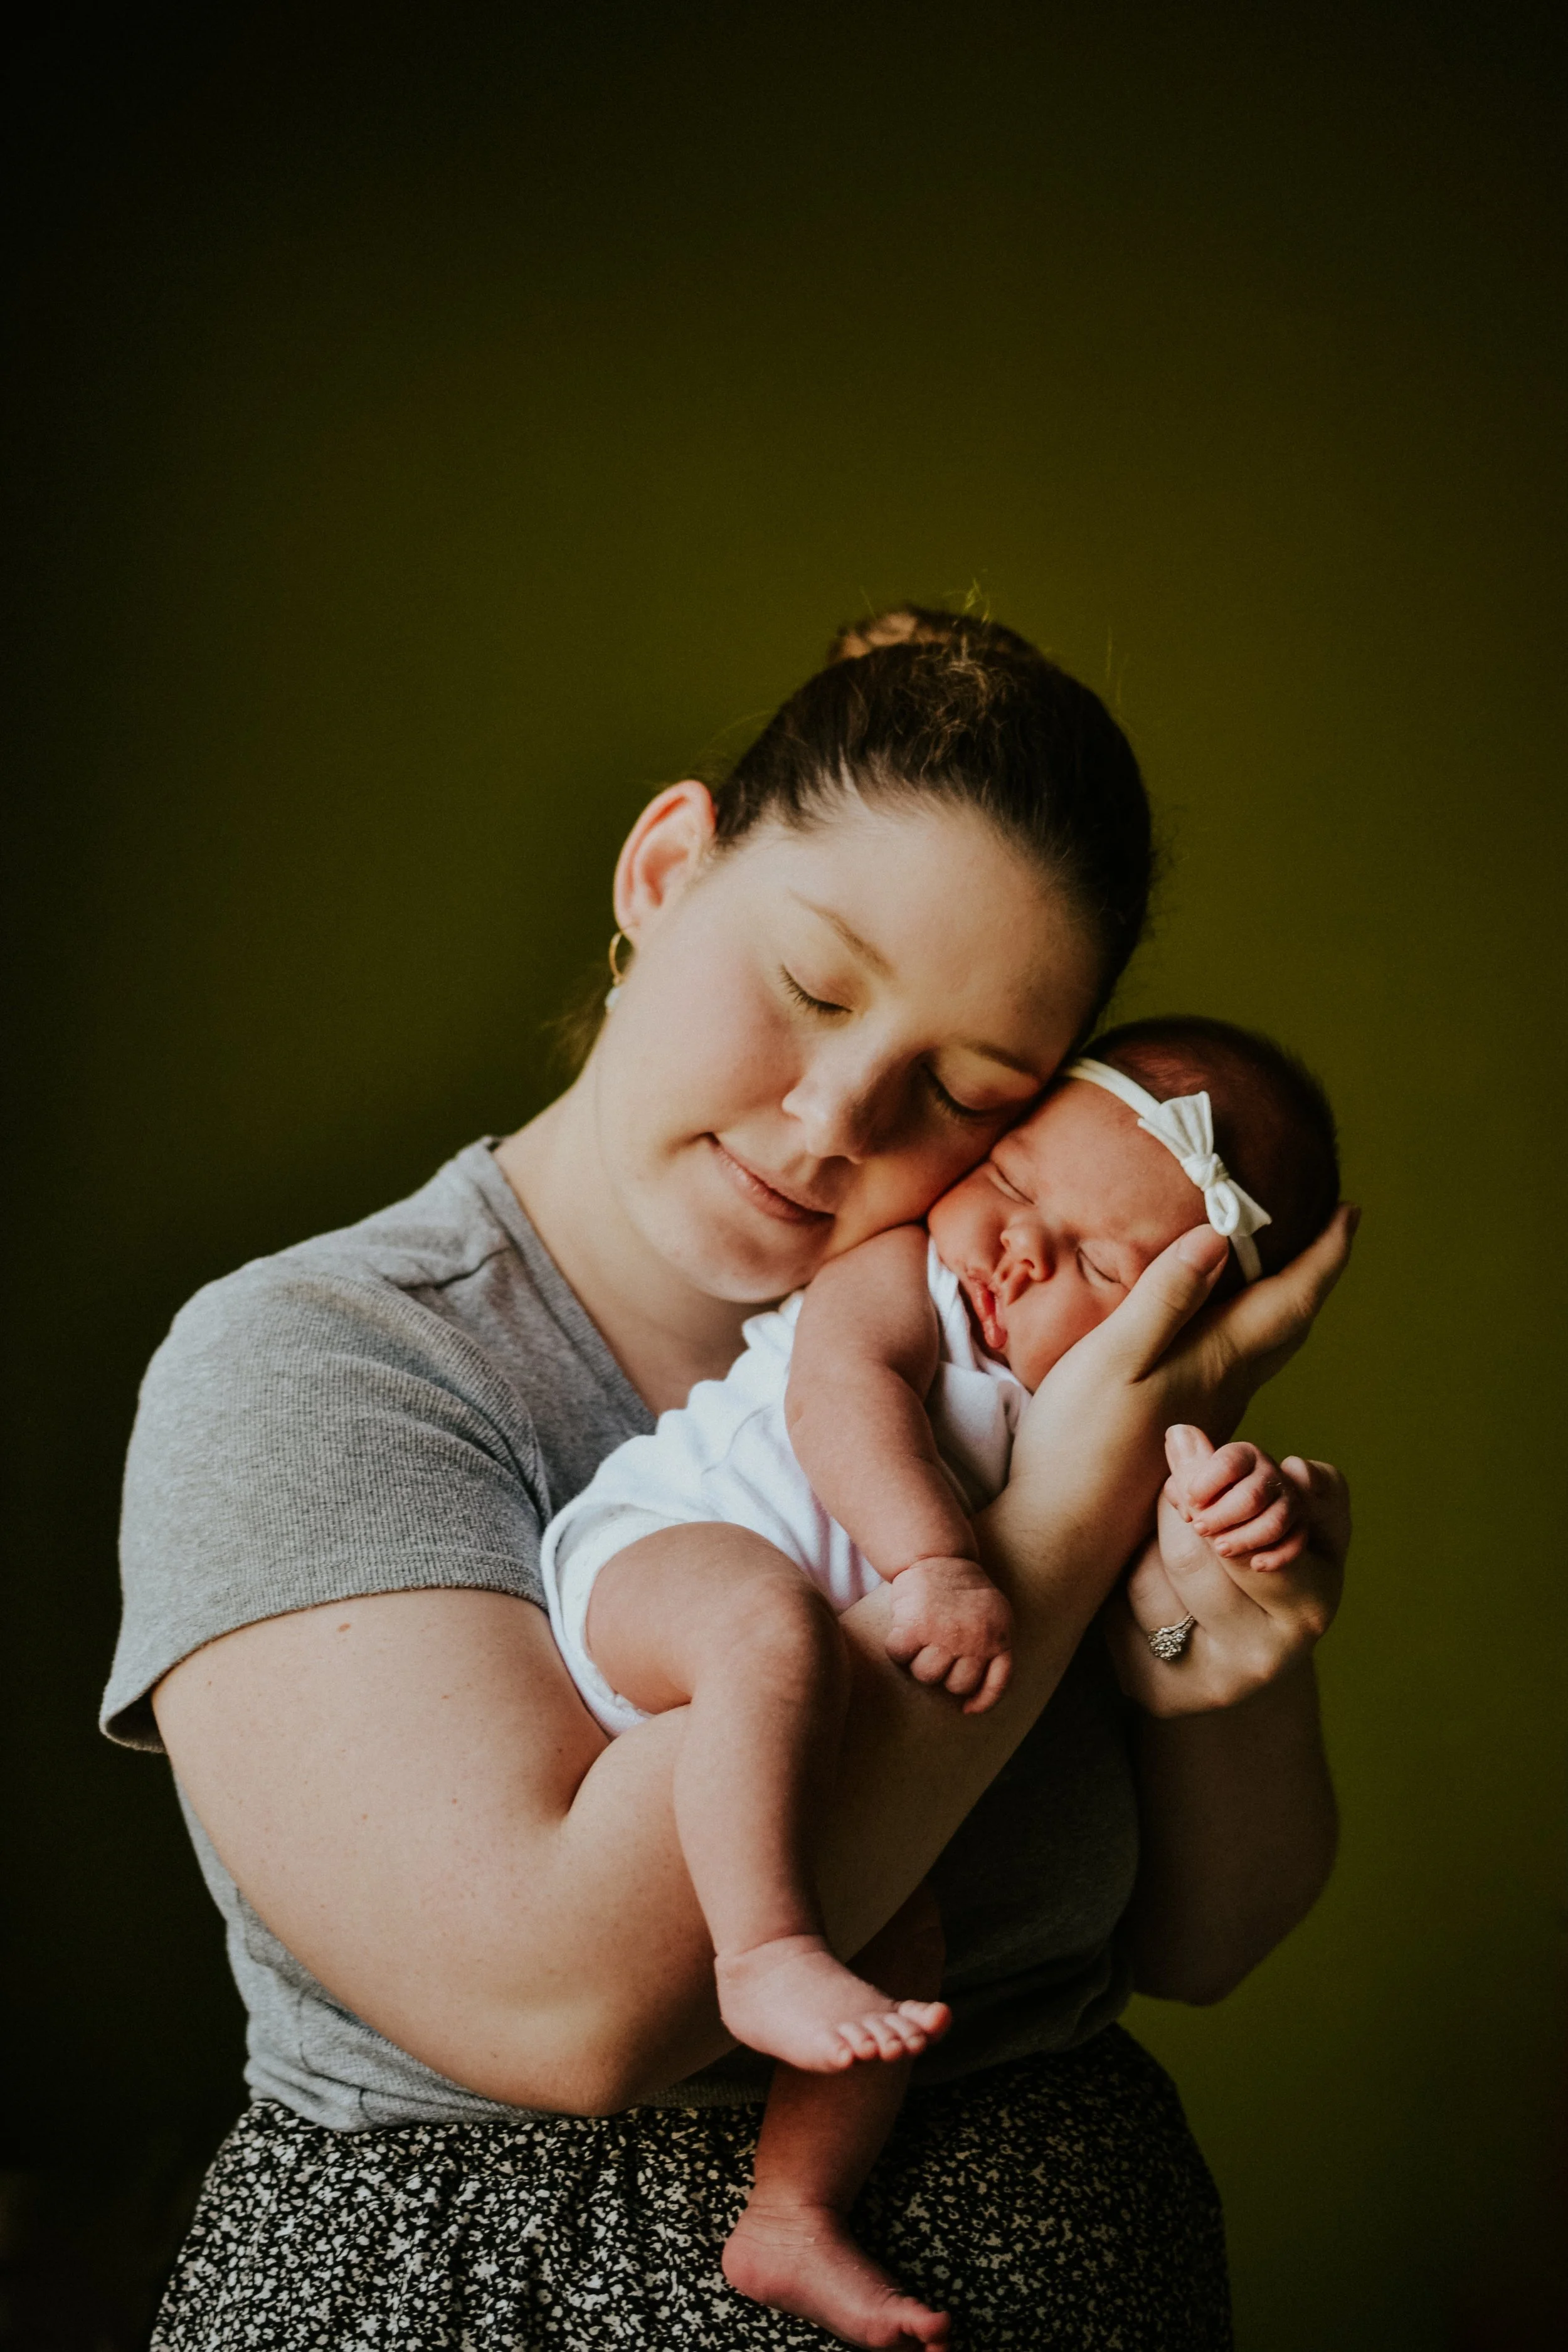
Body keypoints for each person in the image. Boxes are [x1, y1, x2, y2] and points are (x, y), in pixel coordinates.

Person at [103, 608, 1354, 2349]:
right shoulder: (319, 1361)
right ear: (665, 869)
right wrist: (1060, 1518)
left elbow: (1207, 1935)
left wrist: (1223, 1652)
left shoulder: (1021, 1361)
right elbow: (567, 2007)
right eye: (813, 985)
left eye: (962, 1085)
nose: (839, 1110)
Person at [539, 1014, 1346, 2345]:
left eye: (1097, 1259)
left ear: (1173, 1317)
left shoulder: (1102, 1419)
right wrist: (936, 1563)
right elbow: (838, 1396)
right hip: (659, 1574)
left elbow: (1172, 1591)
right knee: (771, 1630)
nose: (1017, 1247)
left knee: (909, 1943)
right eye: (1015, 1185)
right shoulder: (899, 1271)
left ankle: (790, 2217)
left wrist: (1241, 1504)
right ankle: (762, 1951)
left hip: (811, 1708)